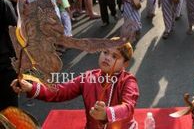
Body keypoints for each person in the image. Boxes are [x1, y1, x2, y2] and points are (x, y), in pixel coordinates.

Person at [11, 38, 139, 129]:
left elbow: (128, 107)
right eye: (105, 52)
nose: (107, 57)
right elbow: (60, 91)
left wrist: (107, 113)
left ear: (125, 64)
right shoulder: (88, 77)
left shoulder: (128, 81)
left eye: (115, 56)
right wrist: (31, 87)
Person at [0, 0, 18, 111]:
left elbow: (15, 30)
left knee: (10, 111)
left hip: (5, 65)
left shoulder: (2, 2)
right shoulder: (2, 2)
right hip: (5, 64)